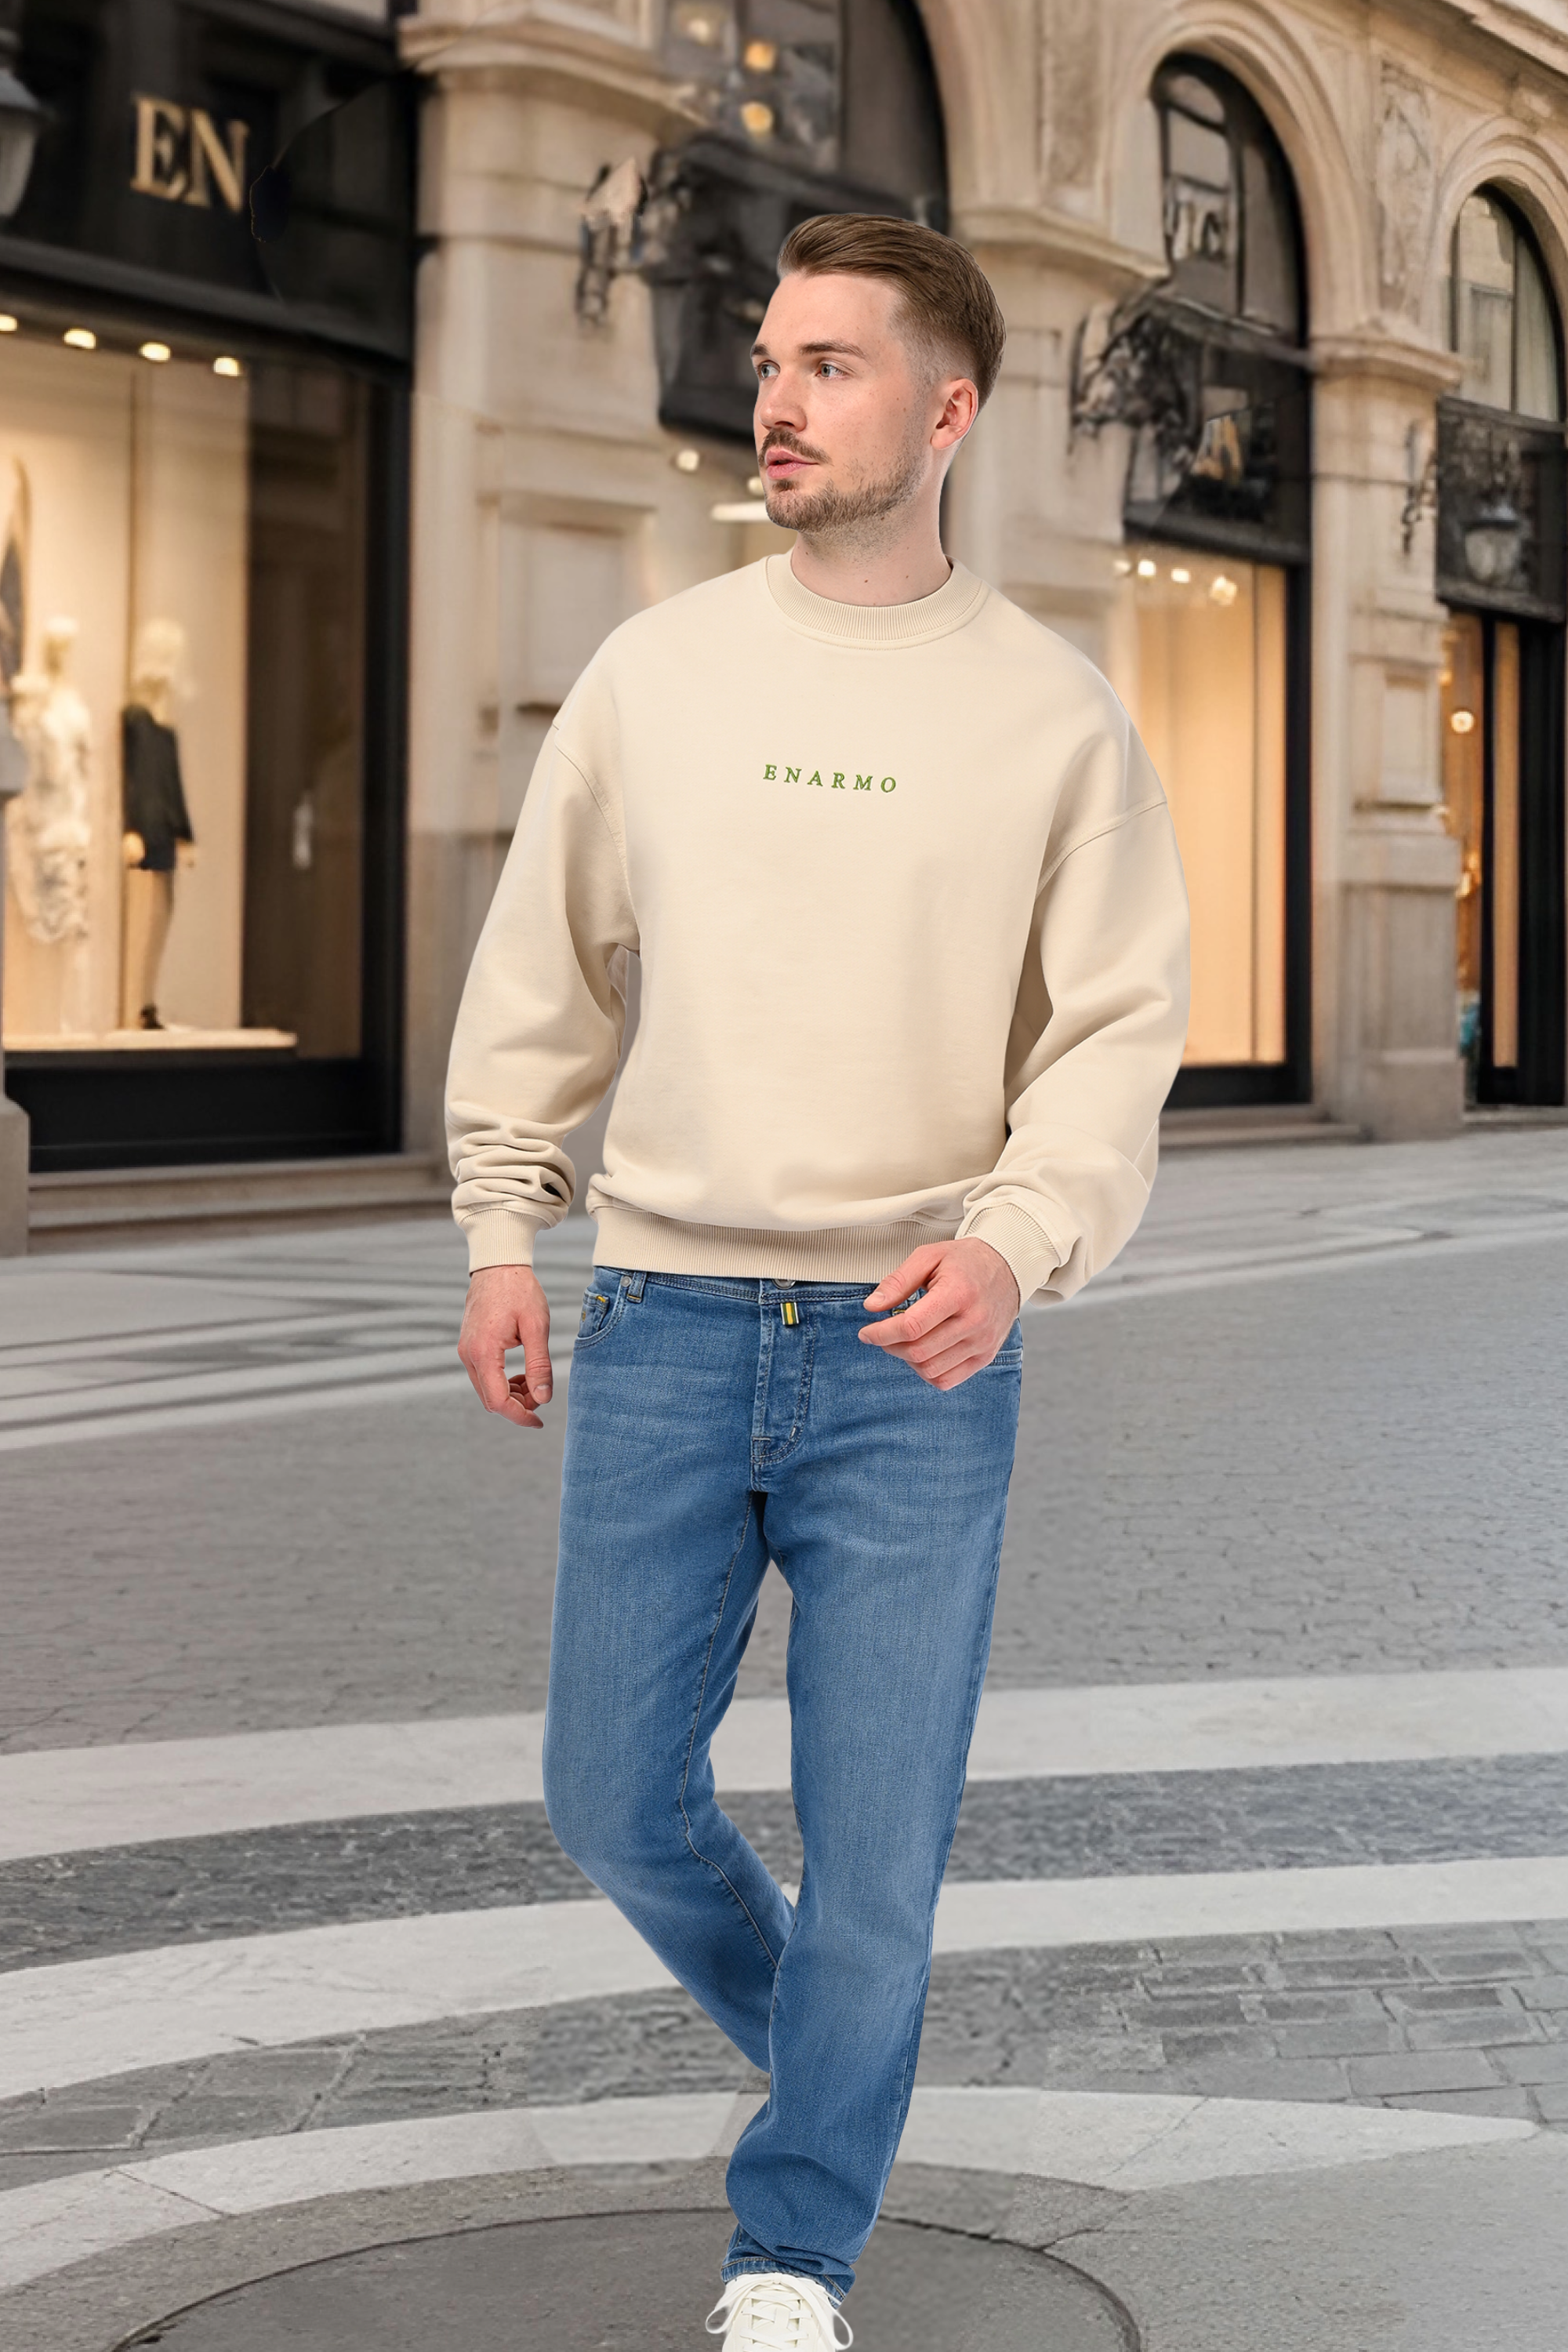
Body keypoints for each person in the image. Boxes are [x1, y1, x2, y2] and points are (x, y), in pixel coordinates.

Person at [449, 212, 1189, 2350]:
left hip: (915, 1350)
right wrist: (508, 1226)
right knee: (607, 1794)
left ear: (948, 410)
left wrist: (1017, 1237)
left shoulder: (1053, 719)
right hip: (664, 1320)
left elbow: (1112, 1035)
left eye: (834, 363)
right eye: (771, 357)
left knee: (880, 1851)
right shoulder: (658, 675)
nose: (776, 396)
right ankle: (843, 2056)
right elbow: (544, 980)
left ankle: (796, 2244)